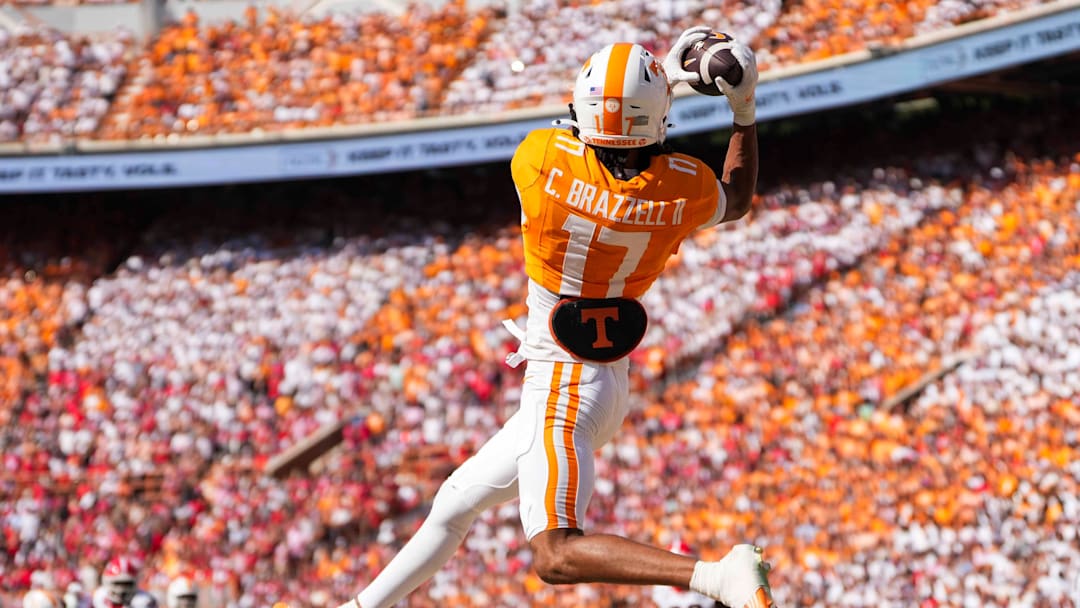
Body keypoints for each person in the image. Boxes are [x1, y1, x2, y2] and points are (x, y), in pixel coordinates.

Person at [337, 26, 774, 608]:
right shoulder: (682, 188)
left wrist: (663, 78)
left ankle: (715, 575)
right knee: (455, 502)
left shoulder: (540, 163)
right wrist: (742, 110)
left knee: (555, 551)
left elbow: (593, 128)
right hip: (604, 376)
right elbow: (737, 197)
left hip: (563, 380)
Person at [91, 558, 156, 608]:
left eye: (127, 583)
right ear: (107, 581)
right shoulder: (101, 596)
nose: (121, 588)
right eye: (117, 583)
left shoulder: (144, 599)